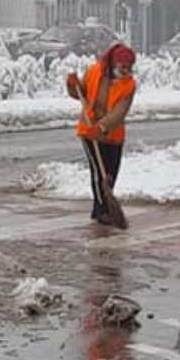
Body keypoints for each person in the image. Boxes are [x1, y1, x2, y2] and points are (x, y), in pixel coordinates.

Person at [68, 42, 137, 227]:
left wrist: (102, 127)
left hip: (112, 135)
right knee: (99, 173)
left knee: (111, 173)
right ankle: (101, 210)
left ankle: (105, 206)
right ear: (115, 63)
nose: (127, 70)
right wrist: (72, 85)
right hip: (88, 131)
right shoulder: (94, 71)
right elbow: (81, 93)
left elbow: (119, 113)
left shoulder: (129, 85)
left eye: (130, 67)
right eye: (124, 66)